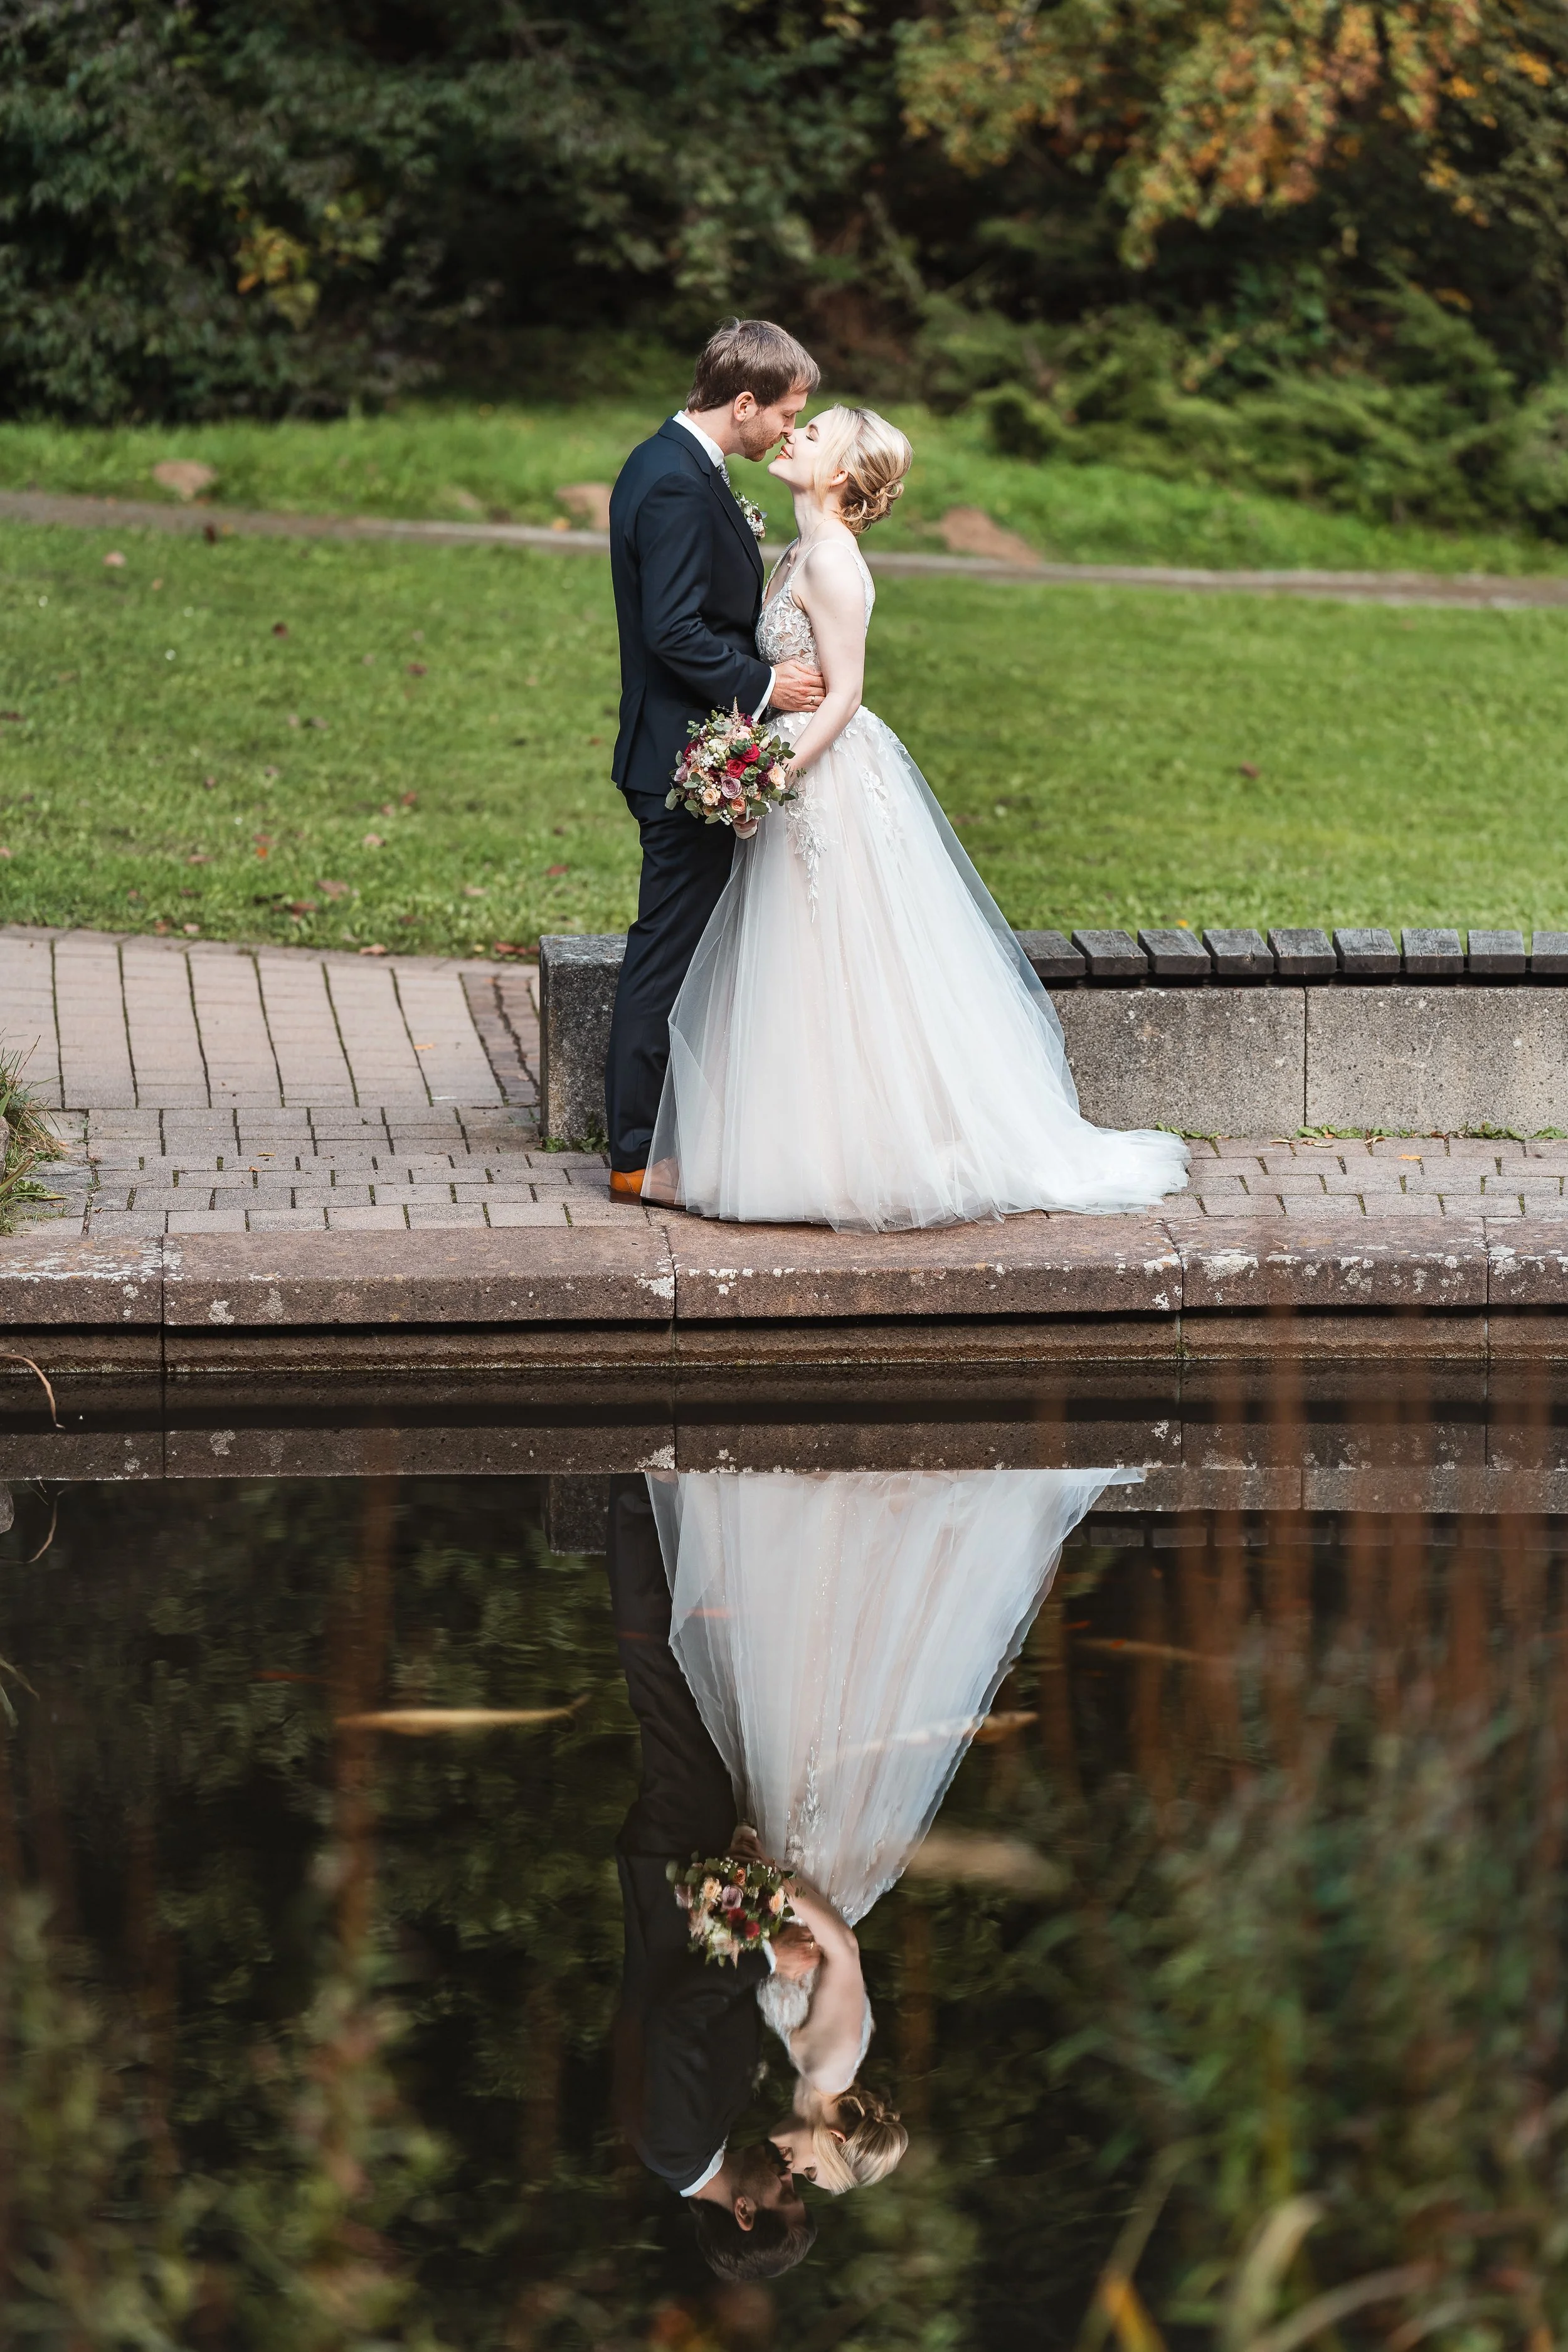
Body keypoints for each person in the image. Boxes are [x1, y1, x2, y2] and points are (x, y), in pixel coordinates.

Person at [641, 405, 1191, 1229]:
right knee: (796, 955)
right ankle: (804, 1147)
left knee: (836, 953)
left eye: (815, 432)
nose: (795, 435)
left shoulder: (831, 560)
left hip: (821, 776)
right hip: (795, 770)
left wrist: (773, 774)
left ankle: (858, 1152)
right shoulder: (798, 550)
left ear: (840, 474)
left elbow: (848, 691)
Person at [647, 1466, 1140, 2190]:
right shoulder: (831, 2063)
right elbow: (841, 1949)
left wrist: (736, 1906)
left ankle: (833, 1528)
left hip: (802, 1873)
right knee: (813, 1707)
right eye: (815, 2175)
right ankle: (835, 1524)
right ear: (839, 2137)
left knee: (813, 1700)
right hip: (810, 1867)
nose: (795, 2172)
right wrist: (774, 1883)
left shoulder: (803, 2061)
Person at [603, 319, 828, 1198]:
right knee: (665, 953)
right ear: (743, 403)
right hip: (681, 762)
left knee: (690, 949)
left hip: (695, 752)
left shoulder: (684, 467)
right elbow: (673, 632)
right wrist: (771, 686)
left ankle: (678, 1135)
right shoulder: (670, 482)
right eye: (786, 413)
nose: (789, 429)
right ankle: (632, 1154)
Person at [606, 1475, 819, 2279]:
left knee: (665, 1691)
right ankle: (659, 1507)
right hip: (688, 1886)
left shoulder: (676, 2145)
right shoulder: (700, 2143)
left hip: (671, 1881)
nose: (792, 2178)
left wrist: (769, 1958)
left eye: (786, 2196)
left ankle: (633, 1499)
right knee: (686, 1694)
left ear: (744, 2210)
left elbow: (674, 2023)